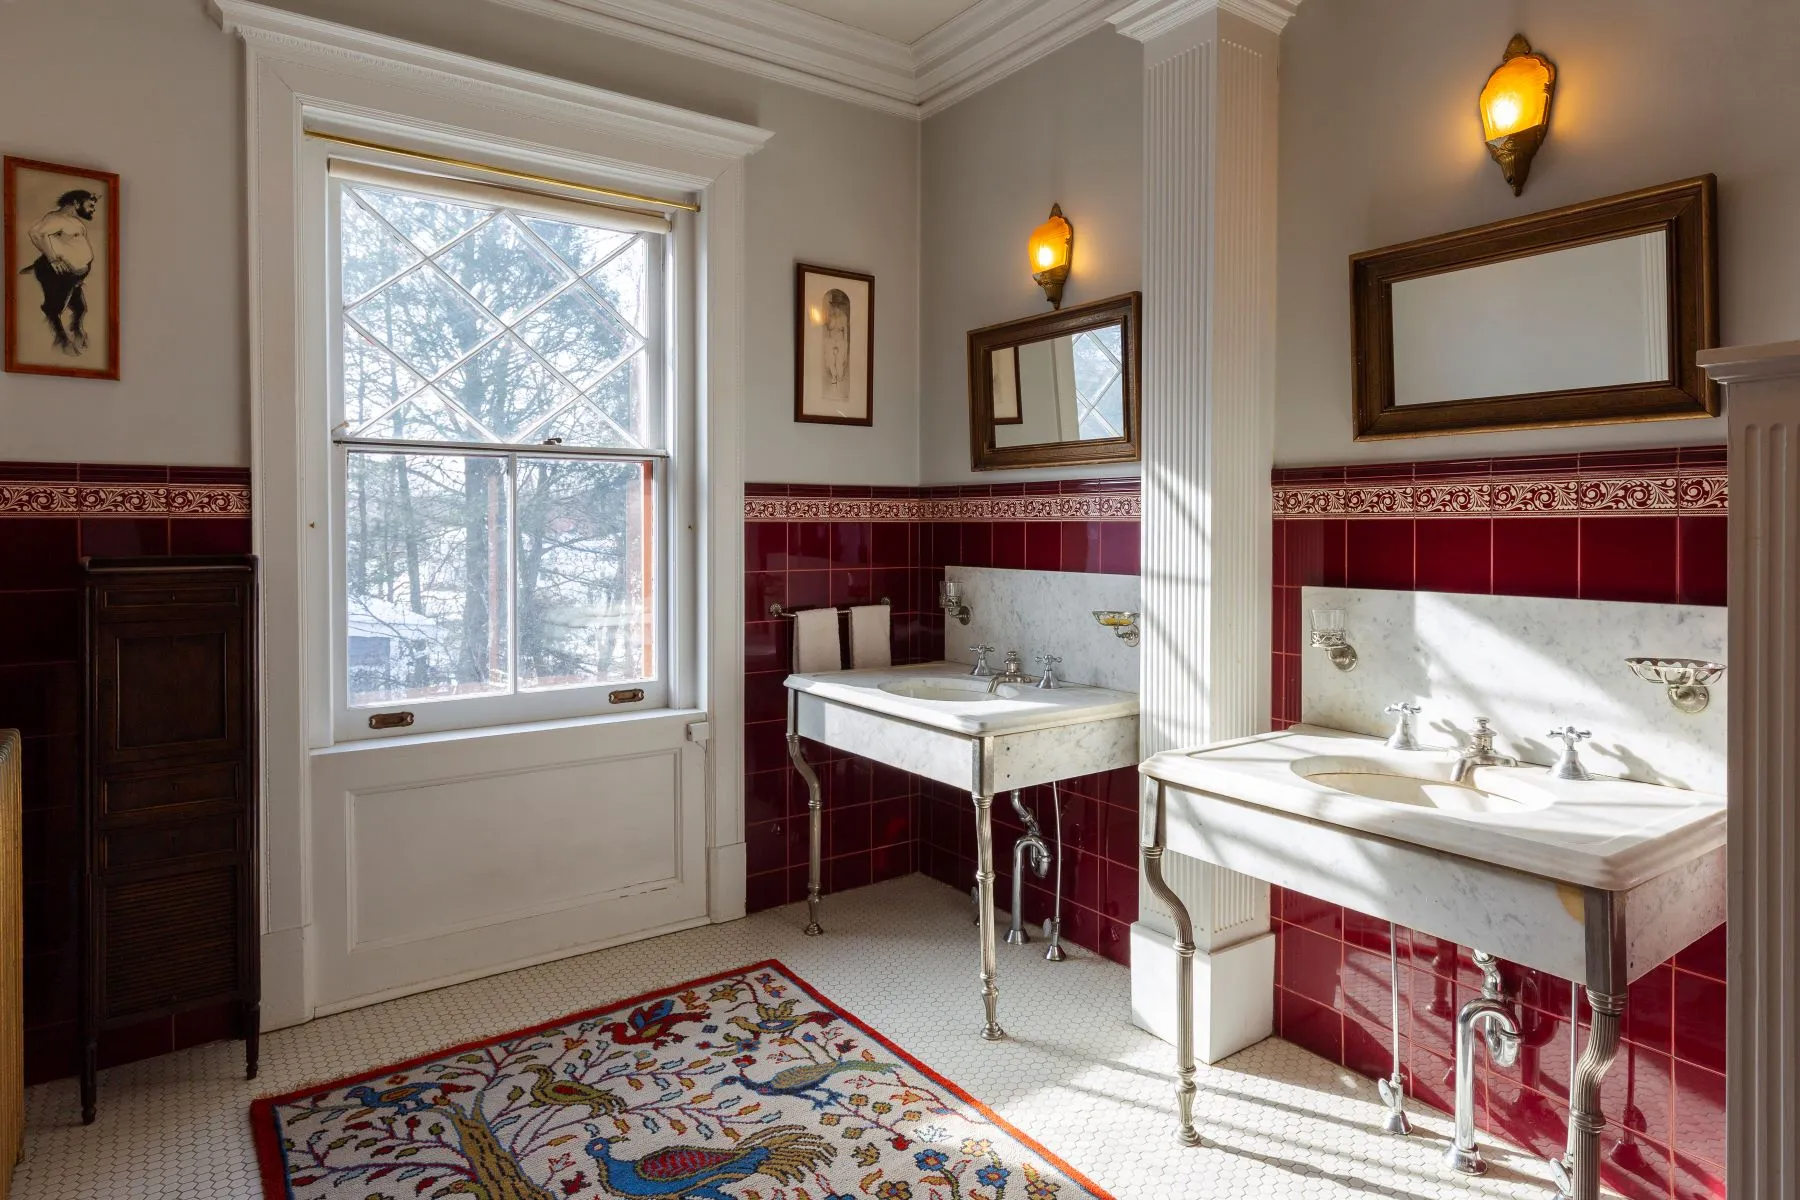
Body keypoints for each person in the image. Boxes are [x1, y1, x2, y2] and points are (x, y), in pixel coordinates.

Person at [21, 188, 99, 355]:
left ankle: (75, 330)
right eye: (90, 205)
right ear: (76, 203)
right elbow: (35, 233)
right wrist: (52, 259)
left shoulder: (73, 221)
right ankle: (62, 340)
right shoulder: (56, 218)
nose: (93, 209)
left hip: (75, 276)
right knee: (55, 309)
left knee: (80, 308)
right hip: (60, 274)